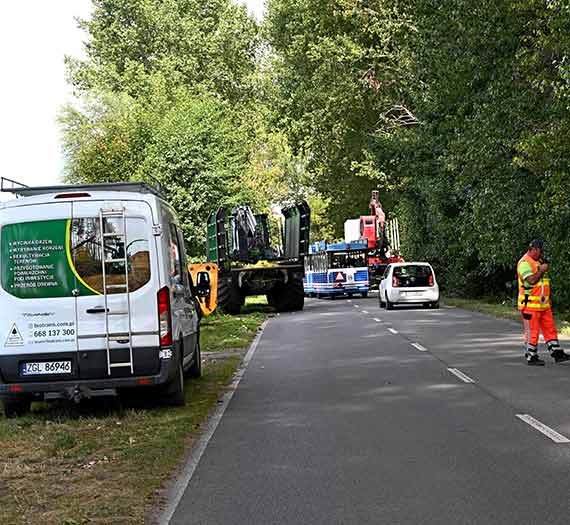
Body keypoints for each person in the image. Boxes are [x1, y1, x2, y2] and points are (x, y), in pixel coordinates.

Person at [517, 239, 569, 365]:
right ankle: (531, 356)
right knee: (532, 332)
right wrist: (542, 270)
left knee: (550, 329)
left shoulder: (538, 261)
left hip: (543, 304)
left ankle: (556, 353)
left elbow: (542, 285)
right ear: (533, 249)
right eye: (540, 250)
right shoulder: (524, 263)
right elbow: (531, 280)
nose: (542, 253)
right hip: (530, 305)